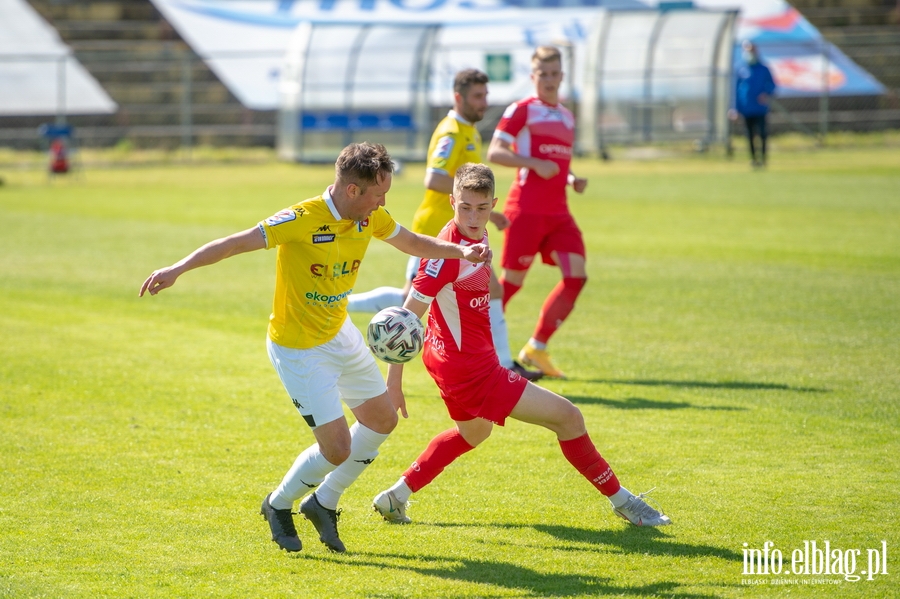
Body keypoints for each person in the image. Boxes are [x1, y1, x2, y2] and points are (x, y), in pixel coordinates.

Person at [139, 142, 491, 554]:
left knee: (382, 420)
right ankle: (278, 503)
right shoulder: (302, 219)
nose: (384, 203)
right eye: (379, 195)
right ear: (354, 191)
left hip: (339, 332)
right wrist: (178, 269)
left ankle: (323, 503)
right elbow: (234, 243)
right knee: (337, 447)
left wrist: (459, 250)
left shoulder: (370, 216)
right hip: (298, 348)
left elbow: (412, 242)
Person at [371, 163, 671, 529]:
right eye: (465, 207)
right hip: (470, 368)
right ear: (451, 202)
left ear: (492, 203)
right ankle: (625, 503)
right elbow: (404, 322)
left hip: (449, 357)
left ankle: (395, 496)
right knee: (569, 418)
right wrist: (394, 382)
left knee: (473, 433)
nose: (473, 216)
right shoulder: (445, 256)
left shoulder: (473, 236)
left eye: (481, 208)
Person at [347, 69, 542, 382]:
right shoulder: (451, 132)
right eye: (477, 96)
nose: (483, 102)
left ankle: (505, 365)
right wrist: (469, 199)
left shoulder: (470, 131)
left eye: (485, 95)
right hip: (437, 230)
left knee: (477, 291)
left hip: (463, 228)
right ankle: (340, 305)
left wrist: (487, 212)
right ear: (458, 97)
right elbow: (434, 178)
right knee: (414, 298)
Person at [487, 46, 588, 379]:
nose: (548, 79)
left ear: (561, 75)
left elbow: (559, 163)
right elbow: (496, 152)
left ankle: (536, 347)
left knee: (576, 276)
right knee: (511, 284)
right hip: (526, 209)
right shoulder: (522, 110)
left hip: (558, 211)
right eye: (541, 73)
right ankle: (483, 347)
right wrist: (533, 163)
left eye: (554, 73)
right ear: (533, 77)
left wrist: (571, 178)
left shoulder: (567, 116)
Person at [731, 40, 777, 168]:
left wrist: (766, 94)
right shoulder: (740, 68)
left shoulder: (763, 68)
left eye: (751, 50)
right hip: (746, 108)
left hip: (760, 108)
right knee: (749, 135)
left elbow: (772, 85)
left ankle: (763, 159)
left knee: (762, 134)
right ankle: (753, 159)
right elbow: (735, 90)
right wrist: (735, 109)